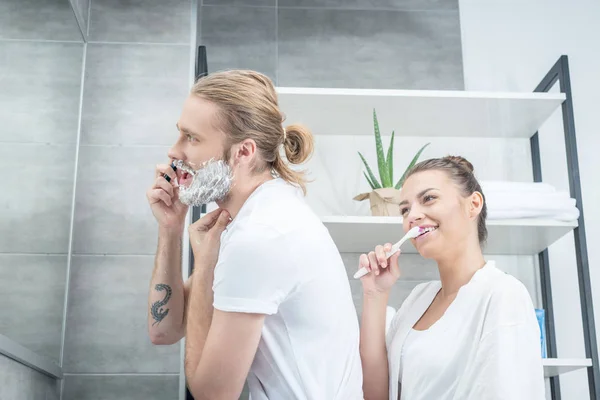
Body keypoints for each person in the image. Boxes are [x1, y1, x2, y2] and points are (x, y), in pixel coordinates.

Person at [145, 69, 363, 399]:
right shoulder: (253, 220)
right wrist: (170, 227)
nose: (174, 152)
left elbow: (212, 395)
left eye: (192, 138)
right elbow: (164, 329)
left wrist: (205, 266)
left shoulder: (261, 236)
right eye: (180, 135)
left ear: (243, 153)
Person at [357, 156, 545, 400]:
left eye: (429, 198)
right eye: (405, 210)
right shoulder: (418, 299)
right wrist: (375, 294)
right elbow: (376, 394)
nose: (412, 215)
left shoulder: (502, 294)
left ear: (473, 204)